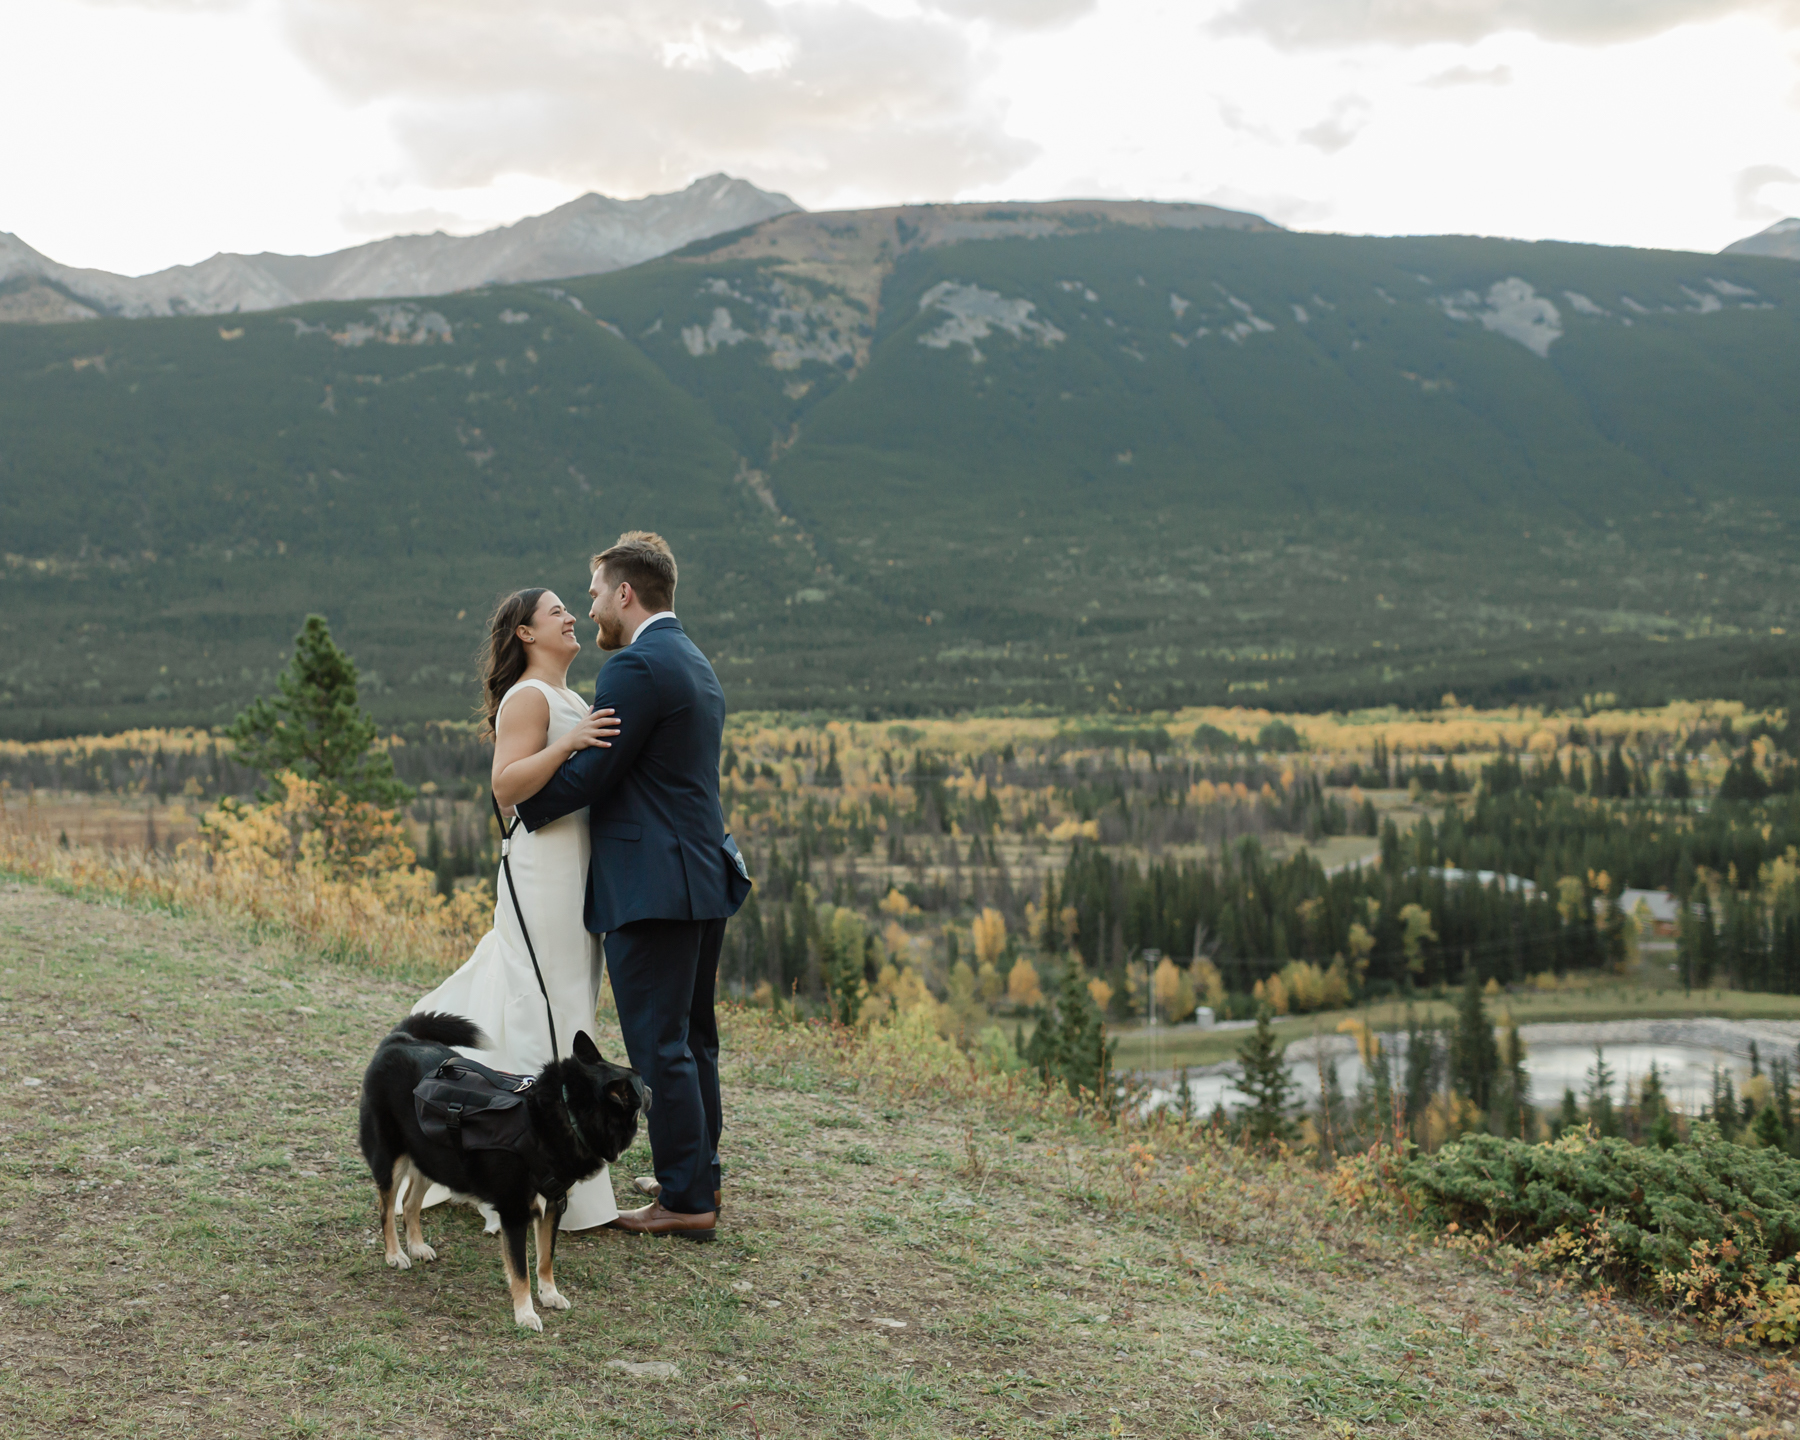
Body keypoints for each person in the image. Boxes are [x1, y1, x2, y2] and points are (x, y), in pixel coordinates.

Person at [515, 531, 751, 1242]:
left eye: (593, 596)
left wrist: (524, 807)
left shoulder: (636, 668)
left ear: (625, 592)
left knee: (658, 1049)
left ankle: (686, 1200)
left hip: (654, 887)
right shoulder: (693, 660)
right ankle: (696, 1177)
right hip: (701, 874)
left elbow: (597, 774)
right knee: (693, 1042)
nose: (590, 613)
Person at [409, 587, 622, 1231]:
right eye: (555, 610)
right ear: (526, 634)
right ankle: (526, 1178)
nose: (569, 616)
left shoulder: (570, 698)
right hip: (540, 870)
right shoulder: (528, 698)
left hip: (572, 866)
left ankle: (557, 1168)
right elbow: (506, 787)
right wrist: (570, 743)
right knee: (543, 1005)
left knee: (569, 1005)